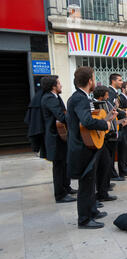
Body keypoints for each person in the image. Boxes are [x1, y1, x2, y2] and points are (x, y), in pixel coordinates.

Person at [66, 66, 117, 229]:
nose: (95, 81)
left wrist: (108, 119)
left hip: (87, 144)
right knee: (86, 184)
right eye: (94, 78)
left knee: (91, 180)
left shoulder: (80, 97)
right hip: (82, 147)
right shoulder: (80, 98)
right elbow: (87, 121)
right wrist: (105, 124)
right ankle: (84, 219)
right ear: (89, 81)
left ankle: (92, 210)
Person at [40, 75, 77, 203]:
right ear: (53, 86)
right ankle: (60, 195)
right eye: (59, 83)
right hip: (55, 138)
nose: (61, 85)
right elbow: (61, 116)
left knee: (65, 163)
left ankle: (66, 187)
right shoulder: (49, 98)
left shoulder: (55, 96)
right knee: (58, 166)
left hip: (61, 136)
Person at [92, 86, 118, 203]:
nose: (108, 97)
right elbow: (96, 122)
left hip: (105, 137)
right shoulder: (93, 105)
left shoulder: (106, 104)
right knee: (99, 167)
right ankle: (99, 193)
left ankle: (103, 192)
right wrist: (108, 120)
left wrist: (112, 118)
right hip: (97, 138)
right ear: (102, 95)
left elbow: (105, 120)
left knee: (106, 164)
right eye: (107, 95)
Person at [108, 73, 127, 177]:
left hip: (121, 124)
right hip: (115, 125)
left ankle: (123, 170)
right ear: (113, 81)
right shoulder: (110, 92)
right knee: (114, 150)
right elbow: (111, 108)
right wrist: (124, 114)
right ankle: (113, 173)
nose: (121, 82)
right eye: (119, 80)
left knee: (123, 147)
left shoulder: (115, 93)